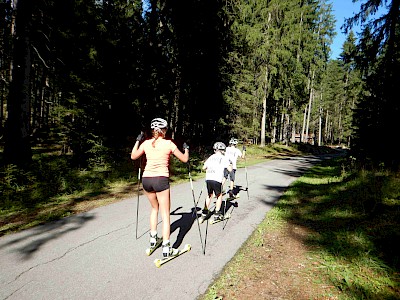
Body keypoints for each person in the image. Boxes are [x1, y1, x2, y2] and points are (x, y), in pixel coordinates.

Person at [130, 117, 189, 258]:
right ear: (164, 130)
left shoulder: (145, 143)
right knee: (165, 213)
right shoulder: (169, 143)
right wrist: (186, 149)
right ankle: (167, 247)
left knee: (154, 208)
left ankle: (153, 238)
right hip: (161, 180)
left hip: (147, 180)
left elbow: (133, 156)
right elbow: (184, 159)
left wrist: (138, 140)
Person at [201, 142, 232, 223]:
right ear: (222, 150)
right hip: (216, 179)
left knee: (209, 195)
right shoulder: (223, 157)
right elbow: (230, 169)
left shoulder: (211, 157)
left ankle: (204, 212)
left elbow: (204, 167)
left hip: (208, 178)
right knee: (219, 195)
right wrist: (230, 163)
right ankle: (217, 214)